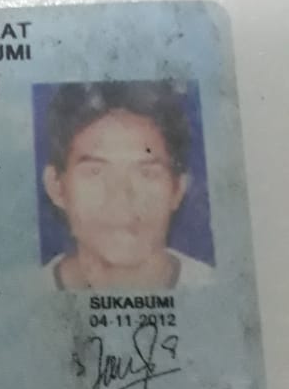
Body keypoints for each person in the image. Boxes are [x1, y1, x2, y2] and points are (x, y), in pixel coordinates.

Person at [41, 81, 213, 290]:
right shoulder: (17, 297)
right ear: (56, 187)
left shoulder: (222, 290)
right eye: (95, 172)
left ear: (177, 189)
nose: (121, 198)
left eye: (146, 173)